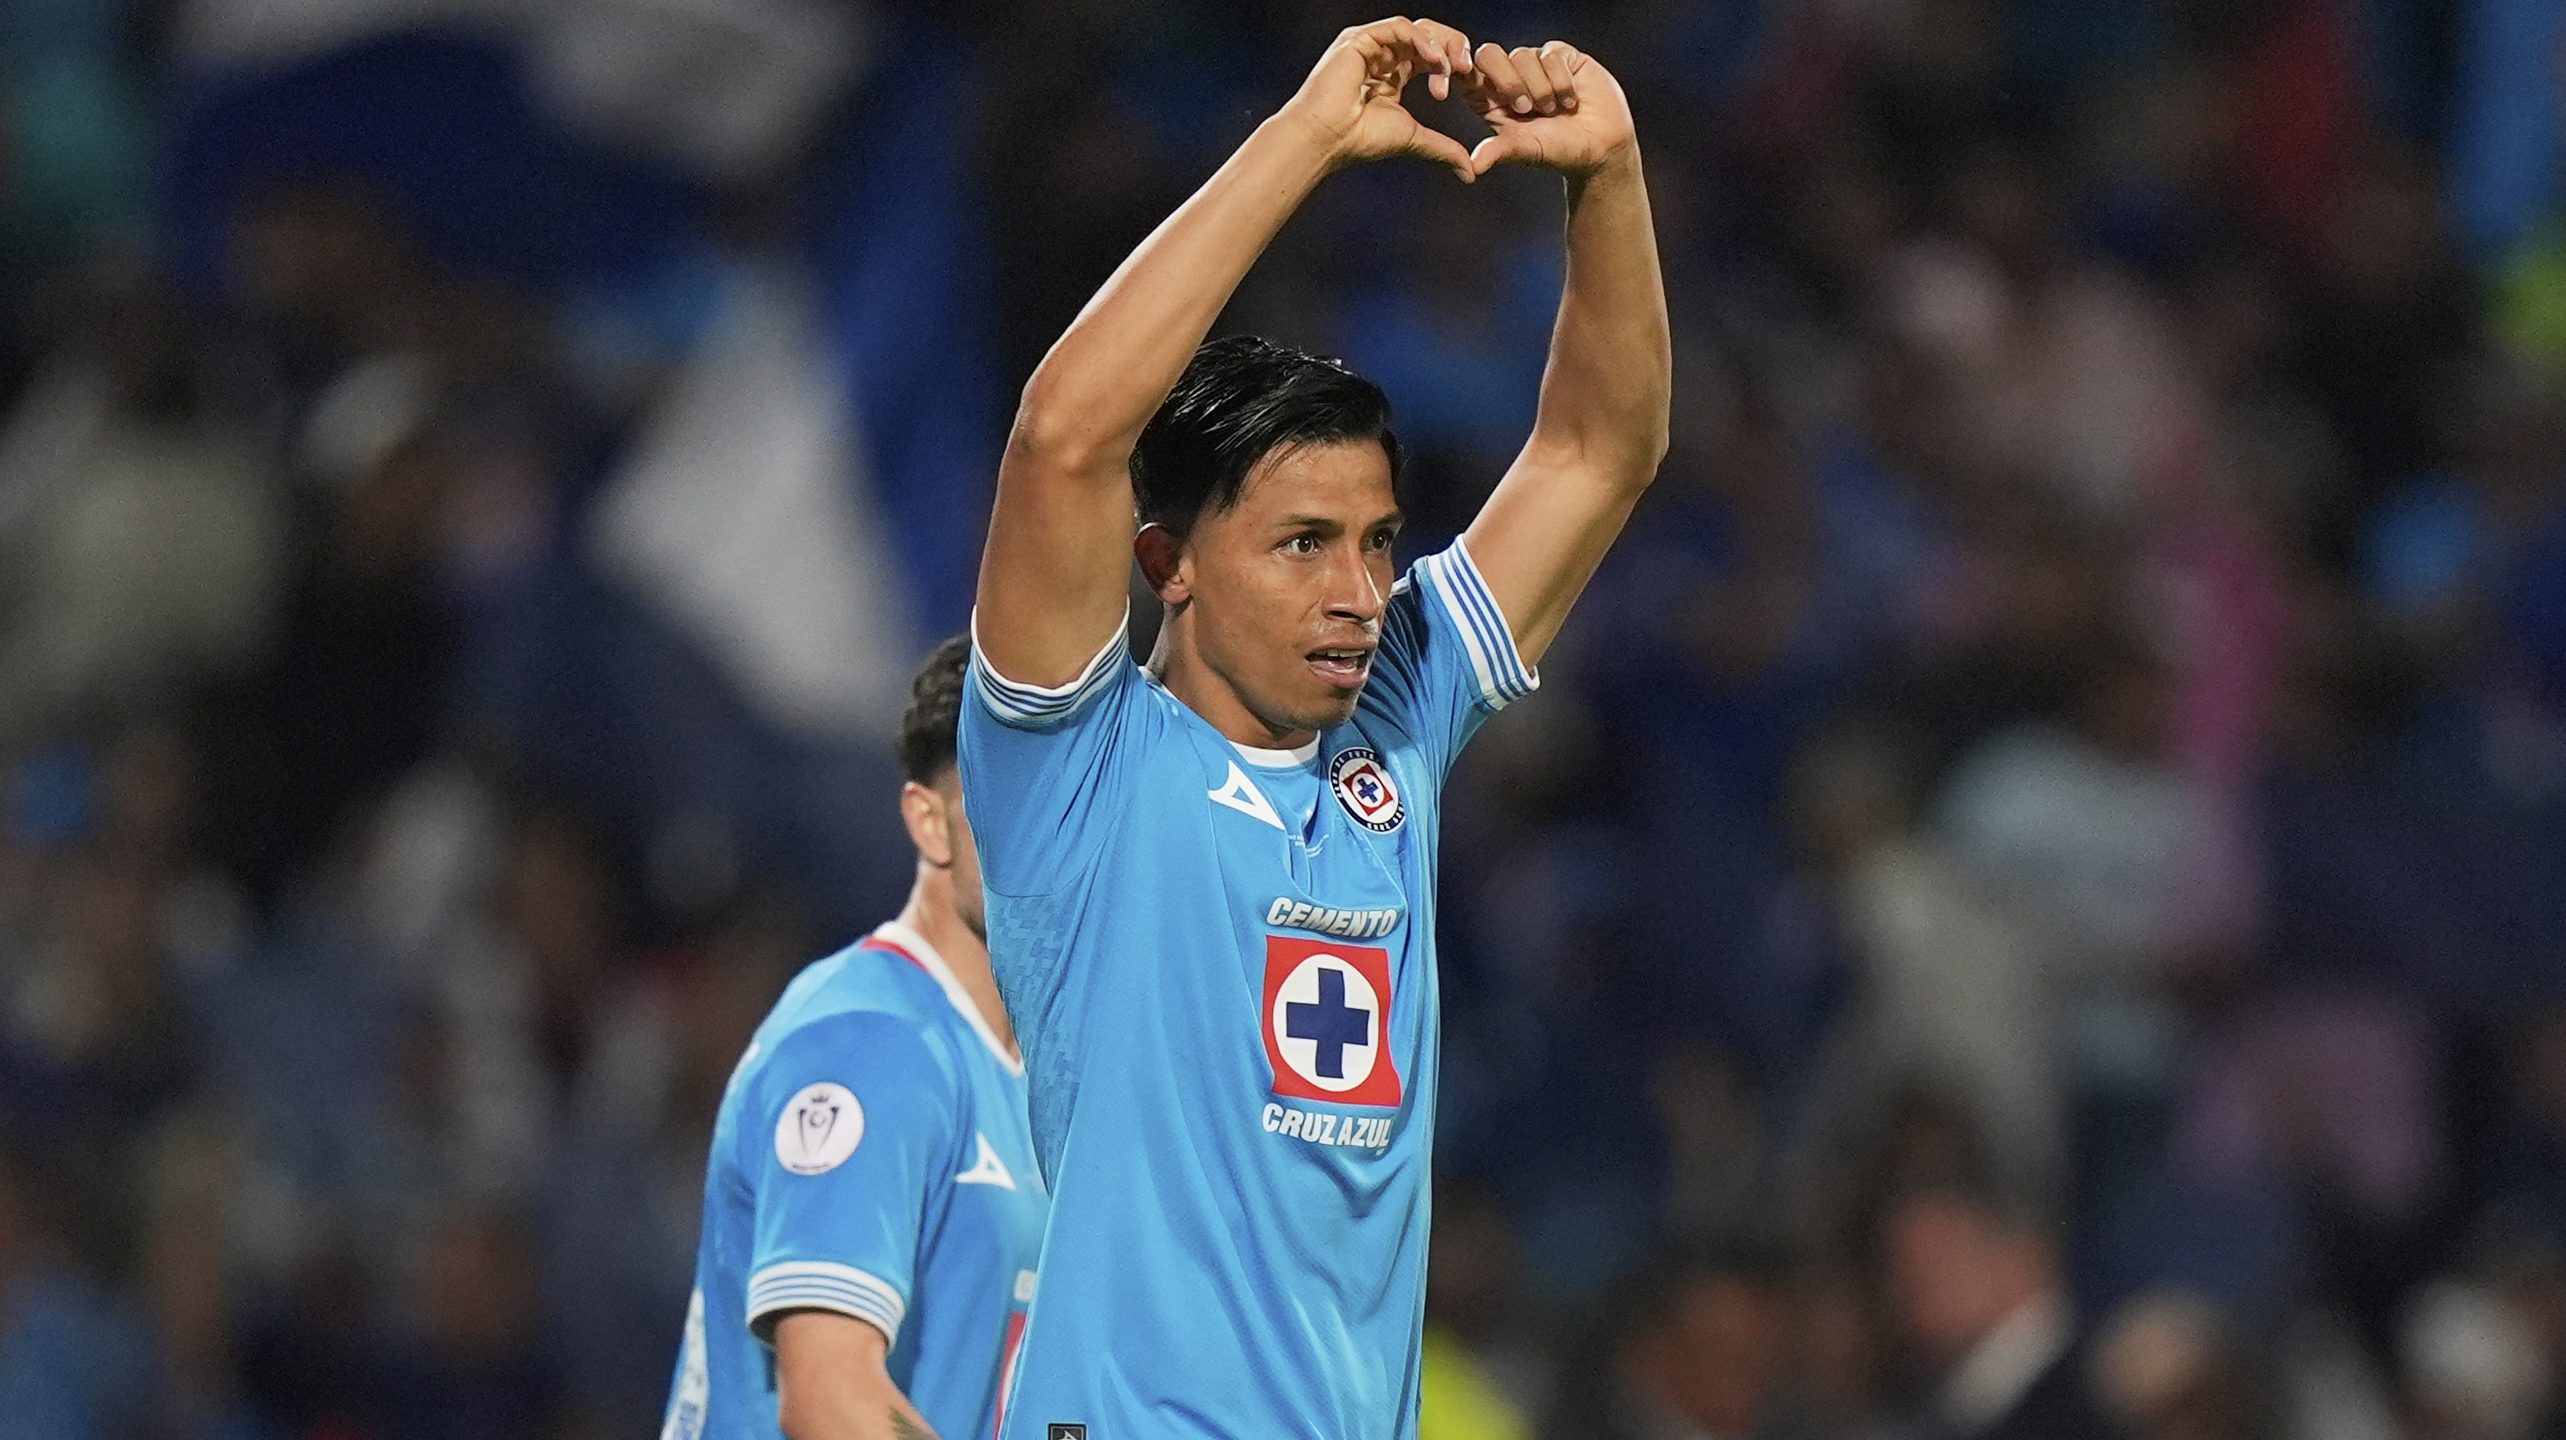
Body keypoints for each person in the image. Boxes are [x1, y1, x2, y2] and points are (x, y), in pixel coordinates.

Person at [961, 16, 1669, 1438]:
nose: (1359, 591)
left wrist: (1609, 180)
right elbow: (1061, 438)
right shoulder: (1075, 764)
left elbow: (1600, 452)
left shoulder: (1395, 719)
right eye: (1301, 543)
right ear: (1168, 562)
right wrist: (1307, 139)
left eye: (1376, 541)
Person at [663, 637, 1046, 1440]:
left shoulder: (1050, 1073)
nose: (1047, 835)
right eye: (1011, 796)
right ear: (929, 823)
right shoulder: (869, 1042)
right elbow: (829, 1399)